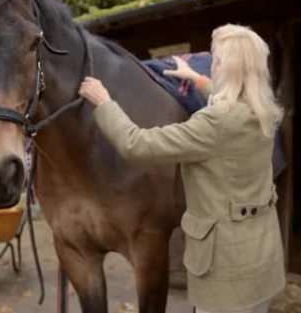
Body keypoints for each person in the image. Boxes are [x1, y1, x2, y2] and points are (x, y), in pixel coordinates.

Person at [79, 24, 286, 313]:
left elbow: (136, 144)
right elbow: (230, 105)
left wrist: (104, 102)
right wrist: (198, 80)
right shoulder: (262, 110)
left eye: (216, 60)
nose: (211, 63)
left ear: (229, 70)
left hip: (227, 274)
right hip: (262, 260)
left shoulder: (214, 124)